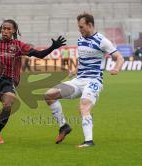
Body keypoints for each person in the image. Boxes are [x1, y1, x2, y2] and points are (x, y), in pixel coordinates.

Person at [0, 19, 67, 144]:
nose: (5, 31)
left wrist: (53, 47)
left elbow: (39, 55)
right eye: (4, 28)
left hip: (10, 81)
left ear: (14, 31)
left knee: (8, 104)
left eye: (9, 29)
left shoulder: (19, 45)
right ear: (1, 30)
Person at [44, 12, 124, 148]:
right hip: (78, 80)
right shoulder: (81, 39)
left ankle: (88, 141)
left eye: (81, 27)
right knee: (49, 95)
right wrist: (74, 71)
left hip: (93, 81)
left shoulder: (102, 40)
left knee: (84, 106)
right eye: (79, 27)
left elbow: (119, 57)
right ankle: (63, 126)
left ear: (90, 25)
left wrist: (117, 68)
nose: (79, 30)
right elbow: (83, 61)